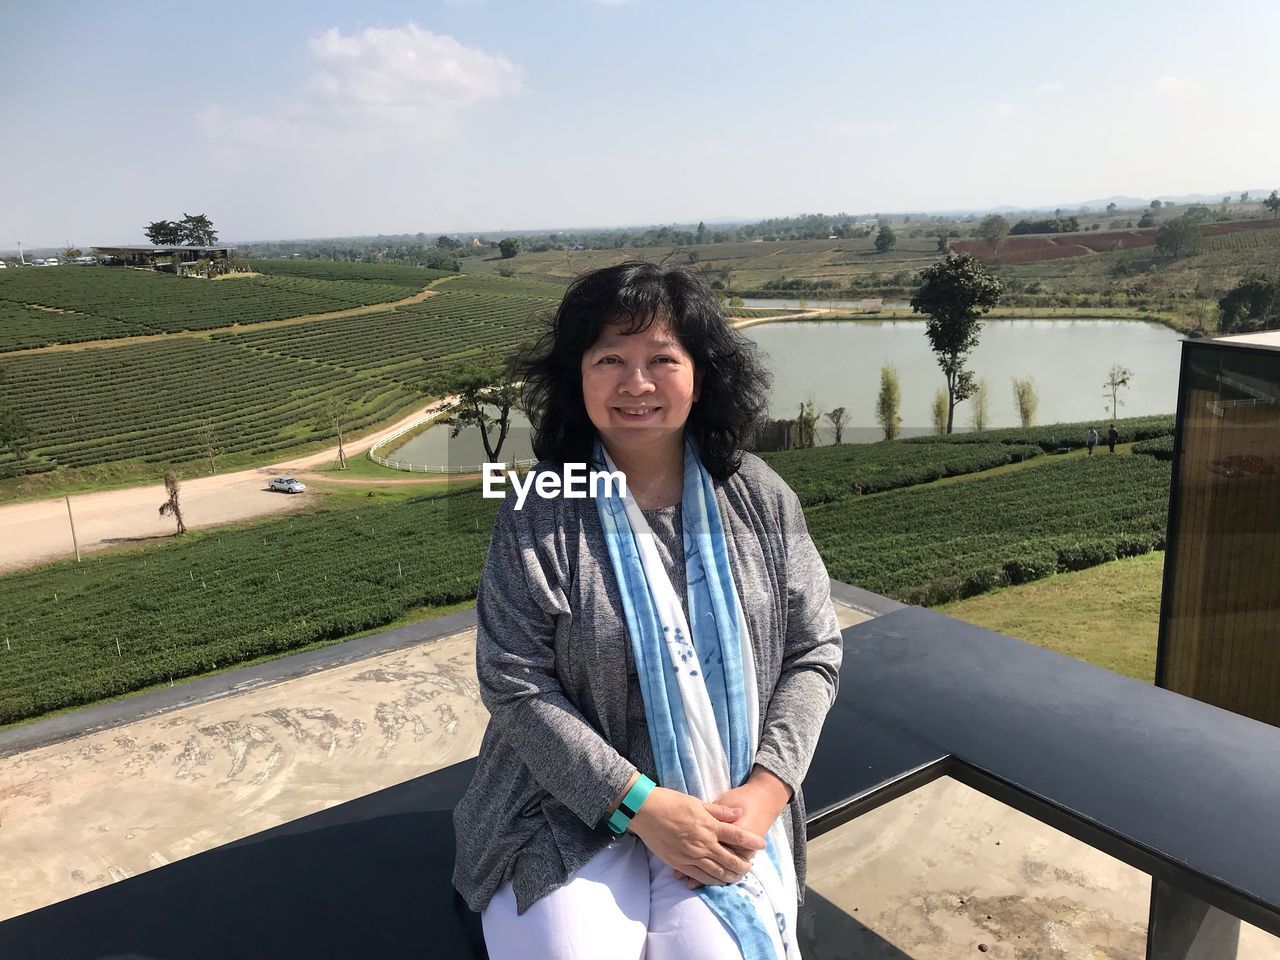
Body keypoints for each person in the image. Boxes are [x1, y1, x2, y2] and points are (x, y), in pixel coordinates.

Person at [452, 261, 844, 959]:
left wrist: (767, 790)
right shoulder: (536, 511)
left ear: (701, 374)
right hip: (561, 809)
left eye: (662, 359)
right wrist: (639, 804)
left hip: (725, 796)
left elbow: (813, 652)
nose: (636, 385)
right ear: (577, 377)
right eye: (610, 360)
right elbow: (514, 682)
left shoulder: (759, 496)